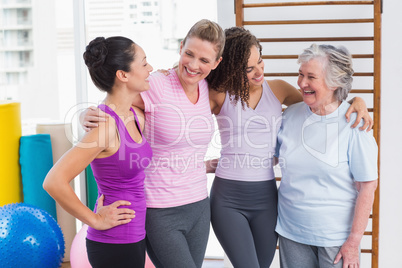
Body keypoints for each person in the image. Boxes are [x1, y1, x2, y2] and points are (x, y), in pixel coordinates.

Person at [205, 27, 373, 268]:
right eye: (248, 68)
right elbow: (181, 104)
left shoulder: (281, 91)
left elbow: (323, 105)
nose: (259, 71)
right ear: (231, 68)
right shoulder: (222, 95)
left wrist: (357, 101)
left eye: (260, 61)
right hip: (248, 208)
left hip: (272, 203)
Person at [81, 19, 225, 268]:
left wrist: (207, 164)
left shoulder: (208, 89)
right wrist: (87, 113)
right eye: (189, 54)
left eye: (204, 60)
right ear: (181, 47)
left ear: (216, 63)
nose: (193, 65)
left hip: (200, 205)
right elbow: (115, 98)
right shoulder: (155, 84)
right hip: (160, 209)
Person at [43, 36, 153, 268]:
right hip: (113, 242)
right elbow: (54, 181)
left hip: (134, 237)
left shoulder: (134, 114)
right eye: (144, 63)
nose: (150, 68)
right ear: (123, 75)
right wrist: (95, 220)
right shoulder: (104, 127)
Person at [275, 44, 378, 268]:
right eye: (300, 74)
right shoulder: (289, 116)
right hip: (291, 233)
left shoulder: (354, 124)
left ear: (335, 83)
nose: (302, 83)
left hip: (336, 240)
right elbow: (268, 158)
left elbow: (368, 186)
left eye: (311, 77)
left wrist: (354, 241)